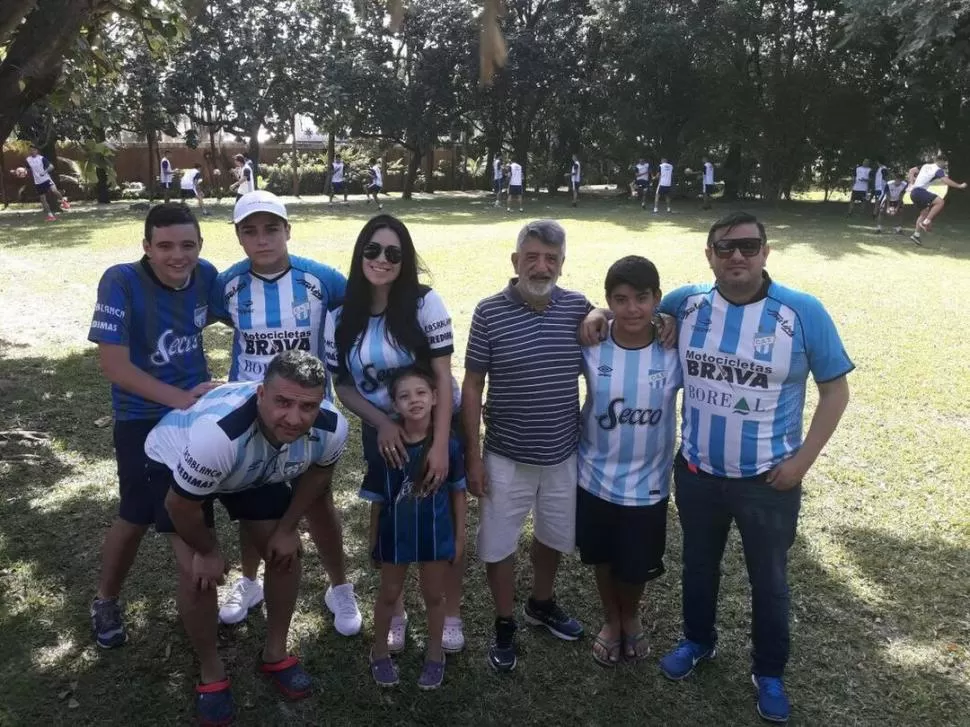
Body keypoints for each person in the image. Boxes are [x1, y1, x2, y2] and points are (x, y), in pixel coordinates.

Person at [646, 212, 852, 724]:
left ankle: (769, 672)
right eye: (725, 247)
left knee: (770, 580)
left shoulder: (803, 312)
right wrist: (597, 314)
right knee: (697, 565)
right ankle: (697, 641)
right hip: (697, 472)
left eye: (748, 245)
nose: (737, 255)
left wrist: (801, 462)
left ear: (766, 251)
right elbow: (634, 312)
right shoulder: (684, 304)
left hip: (768, 480)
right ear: (709, 254)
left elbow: (835, 390)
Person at [144, 350, 349, 725]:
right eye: (282, 402)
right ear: (260, 394)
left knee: (287, 554)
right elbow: (180, 505)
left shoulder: (333, 426)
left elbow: (319, 475)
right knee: (197, 575)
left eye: (307, 406)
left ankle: (276, 653)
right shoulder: (219, 435)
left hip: (250, 465)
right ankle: (211, 672)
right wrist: (207, 551)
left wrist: (288, 528)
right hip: (177, 460)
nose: (294, 417)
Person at [208, 190, 361, 636]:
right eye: (250, 231)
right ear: (238, 237)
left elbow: (366, 301)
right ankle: (249, 581)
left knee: (317, 499)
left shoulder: (320, 279)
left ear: (287, 230)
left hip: (308, 412)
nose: (262, 240)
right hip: (251, 409)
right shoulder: (227, 285)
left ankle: (340, 586)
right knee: (249, 497)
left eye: (271, 229)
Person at [324, 213, 466, 654]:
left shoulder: (425, 304)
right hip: (383, 430)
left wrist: (441, 445)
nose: (381, 259)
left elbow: (442, 376)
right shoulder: (339, 315)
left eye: (393, 252)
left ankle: (451, 614)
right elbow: (342, 384)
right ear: (359, 255)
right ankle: (399, 612)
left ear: (404, 260)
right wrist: (382, 421)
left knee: (441, 517)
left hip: (436, 423)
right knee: (395, 518)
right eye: (372, 250)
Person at [87, 203, 220, 650]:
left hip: (194, 419)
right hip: (142, 418)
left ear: (200, 245)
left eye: (187, 245)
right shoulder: (121, 280)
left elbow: (248, 314)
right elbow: (114, 366)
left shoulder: (208, 276)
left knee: (193, 514)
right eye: (164, 246)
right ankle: (106, 598)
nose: (177, 255)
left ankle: (207, 620)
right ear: (147, 247)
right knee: (136, 515)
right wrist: (180, 398)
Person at [463, 219, 590, 673]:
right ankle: (504, 621)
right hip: (505, 455)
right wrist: (473, 456)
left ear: (561, 264)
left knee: (553, 535)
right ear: (516, 261)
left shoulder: (579, 308)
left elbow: (618, 325)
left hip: (562, 453)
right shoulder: (488, 312)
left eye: (551, 259)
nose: (541, 266)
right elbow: (473, 385)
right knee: (498, 543)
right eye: (532, 257)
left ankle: (541, 602)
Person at [578, 255, 682, 667]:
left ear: (657, 299)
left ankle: (631, 613)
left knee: (635, 564)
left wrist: (670, 318)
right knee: (603, 556)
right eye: (620, 300)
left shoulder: (674, 351)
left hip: (649, 483)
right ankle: (611, 618)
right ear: (609, 301)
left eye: (642, 298)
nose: (633, 309)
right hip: (595, 477)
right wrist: (594, 313)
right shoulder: (592, 345)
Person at [362, 366, 467, 690]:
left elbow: (458, 494)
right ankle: (379, 651)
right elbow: (378, 499)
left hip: (435, 536)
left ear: (436, 397)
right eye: (405, 396)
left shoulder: (447, 446)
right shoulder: (387, 446)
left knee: (434, 596)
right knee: (389, 594)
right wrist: (373, 537)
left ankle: (435, 655)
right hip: (396, 536)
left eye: (421, 393)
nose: (415, 400)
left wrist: (460, 535)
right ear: (394, 405)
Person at [906, 154, 967, 246]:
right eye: (944, 163)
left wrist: (911, 183)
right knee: (940, 202)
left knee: (924, 213)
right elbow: (946, 181)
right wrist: (959, 186)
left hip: (914, 193)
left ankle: (916, 235)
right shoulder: (938, 170)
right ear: (940, 161)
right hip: (919, 191)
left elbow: (911, 170)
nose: (944, 165)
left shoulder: (926, 165)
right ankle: (926, 222)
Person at [25, 144, 68, 221]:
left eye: (34, 150)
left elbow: (51, 167)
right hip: (38, 182)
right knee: (43, 200)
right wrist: (20, 171)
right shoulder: (28, 159)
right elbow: (27, 169)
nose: (32, 151)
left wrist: (44, 172)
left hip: (46, 179)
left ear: (37, 151)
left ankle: (63, 201)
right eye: (30, 150)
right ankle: (50, 216)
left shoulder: (41, 158)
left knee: (54, 191)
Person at [875, 171, 907, 235]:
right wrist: (888, 207)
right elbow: (887, 195)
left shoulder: (904, 185)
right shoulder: (889, 184)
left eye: (900, 180)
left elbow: (901, 196)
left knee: (900, 212)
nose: (898, 182)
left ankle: (898, 229)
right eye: (897, 180)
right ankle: (879, 228)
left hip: (897, 199)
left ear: (902, 180)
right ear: (895, 179)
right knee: (881, 212)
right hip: (887, 199)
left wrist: (897, 208)